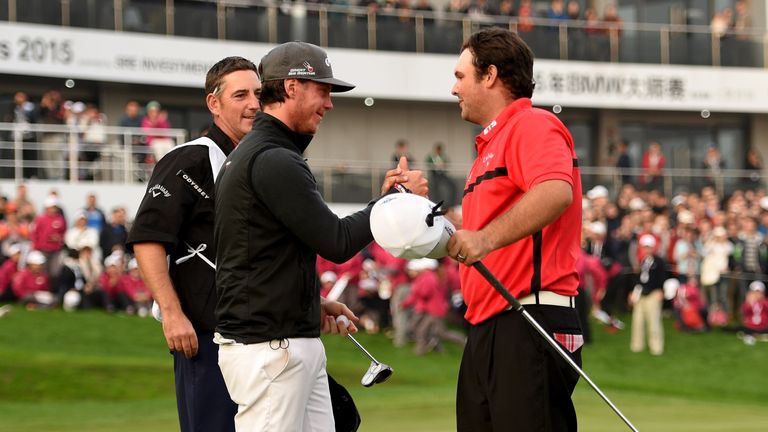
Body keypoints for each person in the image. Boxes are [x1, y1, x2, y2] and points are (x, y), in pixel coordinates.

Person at [213, 41, 428, 431]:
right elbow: (336, 241)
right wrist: (392, 203)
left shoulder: (266, 153)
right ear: (292, 87)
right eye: (323, 91)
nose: (329, 103)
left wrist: (311, 300)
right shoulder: (273, 157)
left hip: (284, 340)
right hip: (270, 348)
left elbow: (267, 254)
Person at [447, 28, 583, 432]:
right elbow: (474, 237)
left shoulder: (532, 124)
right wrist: (416, 208)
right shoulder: (489, 147)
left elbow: (556, 191)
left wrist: (484, 239)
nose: (454, 89)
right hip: (492, 325)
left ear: (489, 75)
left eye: (460, 76)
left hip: (528, 320)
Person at [127, 56, 262, 432]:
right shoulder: (189, 159)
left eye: (258, 93)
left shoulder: (258, 163)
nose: (253, 103)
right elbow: (149, 240)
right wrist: (171, 314)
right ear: (214, 103)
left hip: (257, 340)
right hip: (205, 339)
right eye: (240, 95)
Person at [629, 234, 666, 355]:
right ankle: (637, 346)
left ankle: (656, 347)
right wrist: (634, 293)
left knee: (653, 322)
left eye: (648, 247)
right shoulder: (642, 261)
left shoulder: (659, 261)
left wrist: (661, 290)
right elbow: (639, 279)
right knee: (637, 321)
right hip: (641, 294)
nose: (646, 249)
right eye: (644, 247)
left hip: (653, 294)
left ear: (653, 247)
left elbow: (662, 277)